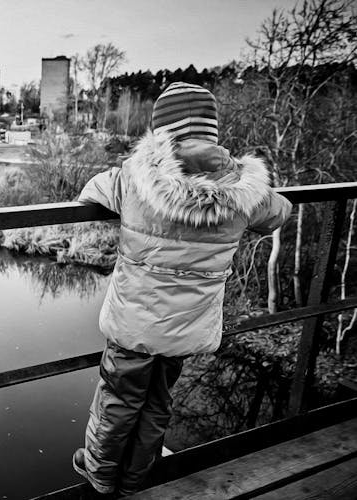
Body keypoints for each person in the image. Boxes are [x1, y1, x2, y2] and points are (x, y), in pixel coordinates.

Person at [72, 82, 292, 497]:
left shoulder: (135, 179)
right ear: (212, 129)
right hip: (186, 327)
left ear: (160, 130)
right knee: (157, 401)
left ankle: (101, 475)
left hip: (133, 323)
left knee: (118, 400)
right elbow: (280, 213)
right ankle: (136, 478)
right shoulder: (244, 189)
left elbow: (91, 191)